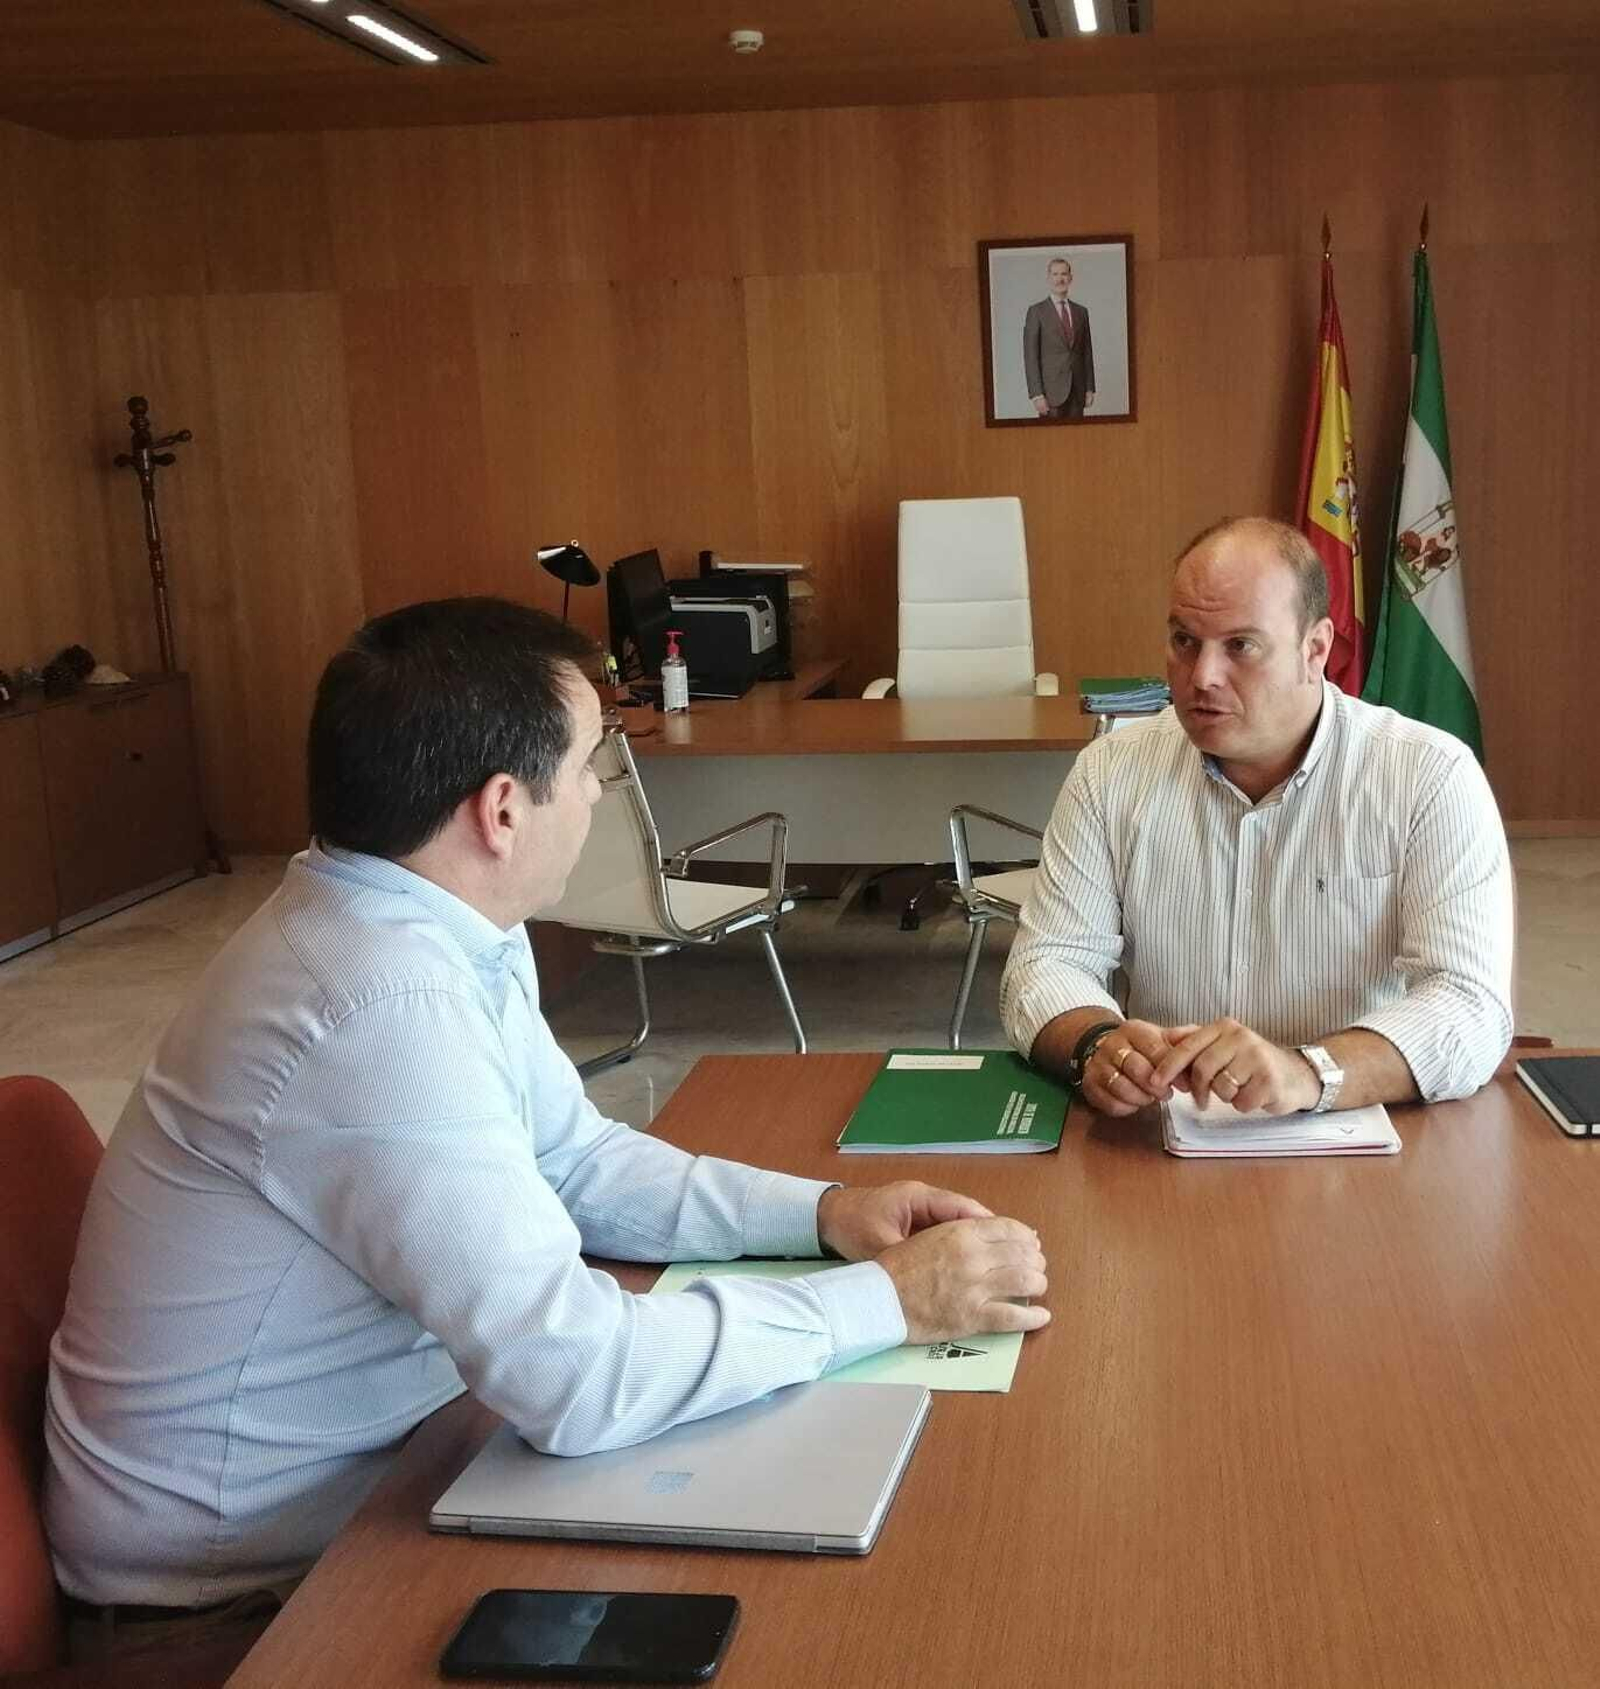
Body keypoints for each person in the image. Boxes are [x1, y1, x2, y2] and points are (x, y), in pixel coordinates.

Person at [45, 597, 1049, 1631]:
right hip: (236, 1588)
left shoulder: (429, 920)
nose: (598, 798)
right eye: (590, 772)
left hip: (384, 1451)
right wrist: (891, 1302)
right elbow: (576, 1380)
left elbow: (571, 1162)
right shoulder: (378, 1007)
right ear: (501, 811)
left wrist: (826, 1213)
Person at [1001, 516, 1512, 1119]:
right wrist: (1097, 1045)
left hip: (1357, 1129)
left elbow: (1469, 1004)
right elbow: (1047, 964)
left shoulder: (1427, 777)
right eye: (1184, 641)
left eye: (1240, 645)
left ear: (1315, 650)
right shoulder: (1111, 774)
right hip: (1165, 1128)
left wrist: (1306, 1071)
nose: (1201, 677)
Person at [1023, 256, 1096, 420]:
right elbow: (1030, 356)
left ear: (1070, 278)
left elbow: (1086, 352)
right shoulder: (1036, 312)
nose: (1060, 279)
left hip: (1078, 391)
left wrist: (1089, 388)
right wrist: (1036, 394)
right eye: (1055, 274)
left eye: (1064, 274)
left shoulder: (1081, 312)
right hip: (1050, 394)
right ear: (1048, 278)